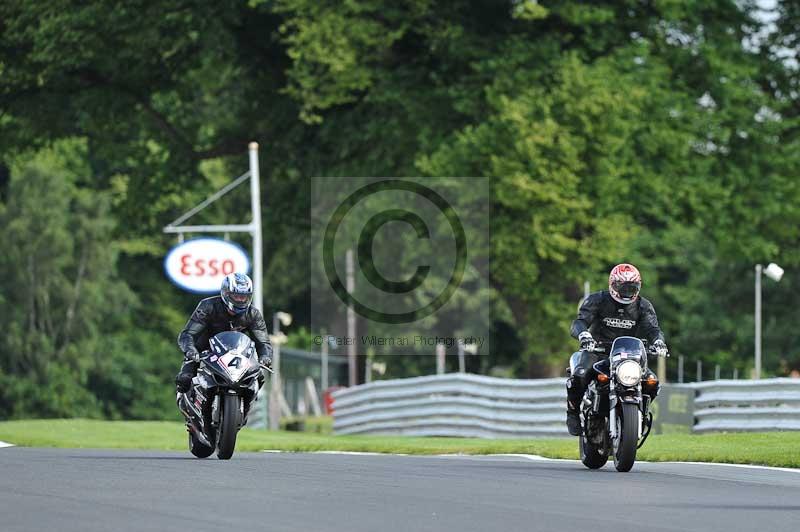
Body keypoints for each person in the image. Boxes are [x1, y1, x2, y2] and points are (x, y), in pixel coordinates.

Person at [565, 263, 668, 436]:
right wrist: (584, 335)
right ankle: (573, 413)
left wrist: (658, 342)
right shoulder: (597, 300)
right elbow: (580, 321)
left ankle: (641, 412)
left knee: (652, 382)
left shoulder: (643, 306)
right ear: (613, 284)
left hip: (629, 355)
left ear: (639, 286)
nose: (627, 292)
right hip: (597, 351)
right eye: (623, 287)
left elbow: (653, 329)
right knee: (580, 374)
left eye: (632, 287)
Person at [175, 272, 272, 392]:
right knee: (184, 380)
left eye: (244, 297)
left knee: (259, 377)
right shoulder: (207, 306)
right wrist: (190, 350)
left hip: (238, 354)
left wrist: (265, 357)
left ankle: (245, 407)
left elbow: (263, 342)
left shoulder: (253, 314)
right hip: (205, 351)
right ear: (226, 293)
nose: (241, 300)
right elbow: (188, 334)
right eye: (236, 296)